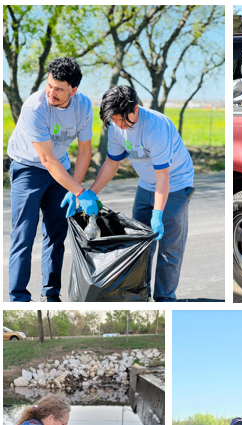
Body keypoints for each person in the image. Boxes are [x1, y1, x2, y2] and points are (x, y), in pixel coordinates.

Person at [84, 85, 195, 301]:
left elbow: (163, 177)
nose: (119, 125)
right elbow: (111, 163)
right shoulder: (116, 126)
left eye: (122, 120)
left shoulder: (155, 128)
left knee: (168, 249)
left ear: (135, 108)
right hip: (146, 183)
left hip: (175, 183)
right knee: (140, 245)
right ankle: (142, 297)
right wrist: (91, 193)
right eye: (114, 121)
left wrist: (157, 213)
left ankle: (165, 300)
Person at [6, 57, 92, 302]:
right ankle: (19, 298)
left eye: (59, 89)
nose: (52, 92)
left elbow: (85, 151)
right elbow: (46, 160)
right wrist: (80, 192)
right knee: (24, 234)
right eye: (49, 85)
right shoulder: (35, 106)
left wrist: (73, 185)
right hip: (28, 167)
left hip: (60, 169)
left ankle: (51, 294)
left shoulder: (83, 106)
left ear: (73, 91)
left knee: (56, 233)